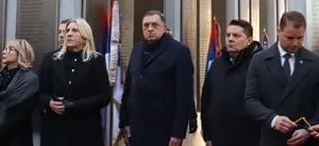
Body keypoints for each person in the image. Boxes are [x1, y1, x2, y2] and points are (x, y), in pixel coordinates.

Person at [244, 11, 319, 146]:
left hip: (307, 140)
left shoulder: (316, 62)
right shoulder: (259, 61)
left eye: (300, 38)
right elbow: (250, 100)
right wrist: (273, 119)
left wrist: (308, 130)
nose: (295, 43)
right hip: (272, 139)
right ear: (278, 31)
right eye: (290, 38)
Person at [119, 11, 195, 146]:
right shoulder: (137, 49)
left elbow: (184, 96)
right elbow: (129, 88)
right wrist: (124, 122)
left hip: (163, 129)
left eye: (154, 25)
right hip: (136, 128)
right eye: (146, 25)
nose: (150, 29)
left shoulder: (179, 51)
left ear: (164, 28)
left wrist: (178, 132)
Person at [39, 18, 111, 146]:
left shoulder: (96, 60)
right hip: (56, 130)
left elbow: (104, 97)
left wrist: (74, 105)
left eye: (74, 30)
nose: (69, 34)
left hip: (85, 130)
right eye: (67, 30)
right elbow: (41, 92)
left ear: (85, 37)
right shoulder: (52, 59)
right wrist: (50, 103)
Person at [200, 19, 263, 146]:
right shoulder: (217, 64)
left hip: (250, 139)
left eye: (236, 36)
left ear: (249, 40)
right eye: (228, 35)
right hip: (219, 139)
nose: (230, 39)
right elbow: (206, 100)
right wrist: (208, 136)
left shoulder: (260, 63)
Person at [0, 39, 40, 146]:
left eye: (10, 49)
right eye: (5, 48)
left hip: (16, 139)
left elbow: (21, 113)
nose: (4, 52)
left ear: (21, 54)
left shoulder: (30, 80)